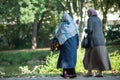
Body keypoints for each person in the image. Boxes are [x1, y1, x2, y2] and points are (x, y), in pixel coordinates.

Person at [83, 8, 111, 77]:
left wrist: (85, 30)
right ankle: (100, 73)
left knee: (89, 56)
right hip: (101, 40)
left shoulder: (90, 19)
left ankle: (90, 72)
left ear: (90, 13)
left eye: (88, 13)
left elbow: (90, 30)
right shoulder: (99, 19)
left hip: (93, 41)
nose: (87, 14)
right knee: (100, 56)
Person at [55, 13, 79, 78]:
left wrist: (57, 43)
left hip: (64, 45)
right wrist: (77, 44)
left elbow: (58, 35)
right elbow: (77, 35)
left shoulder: (62, 25)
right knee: (71, 58)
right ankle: (72, 73)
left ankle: (65, 73)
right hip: (73, 46)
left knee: (65, 59)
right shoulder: (73, 25)